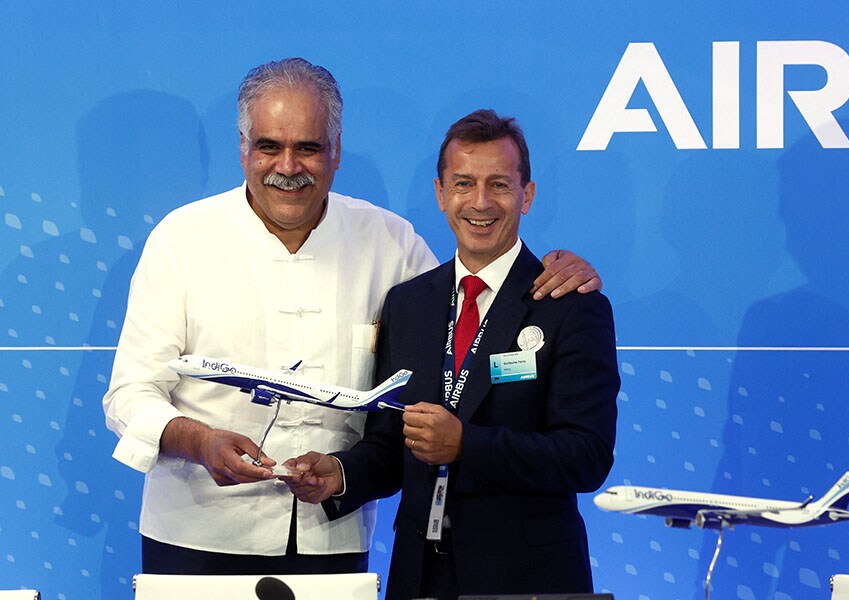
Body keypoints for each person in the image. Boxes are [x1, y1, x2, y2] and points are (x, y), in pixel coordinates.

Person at [102, 58, 601, 576]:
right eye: (269, 145)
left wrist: (552, 272)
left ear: (337, 151)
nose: (288, 166)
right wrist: (200, 441)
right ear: (243, 147)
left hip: (331, 538)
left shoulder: (391, 242)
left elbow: (480, 307)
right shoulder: (181, 240)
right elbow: (128, 396)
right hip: (195, 532)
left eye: (309, 148)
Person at [283, 109, 619, 598]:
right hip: (419, 575)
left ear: (527, 194)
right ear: (440, 193)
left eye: (499, 185)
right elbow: (390, 443)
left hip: (528, 579)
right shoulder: (408, 303)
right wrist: (338, 474)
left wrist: (466, 445)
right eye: (463, 184)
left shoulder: (570, 306)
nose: (480, 202)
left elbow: (586, 457)